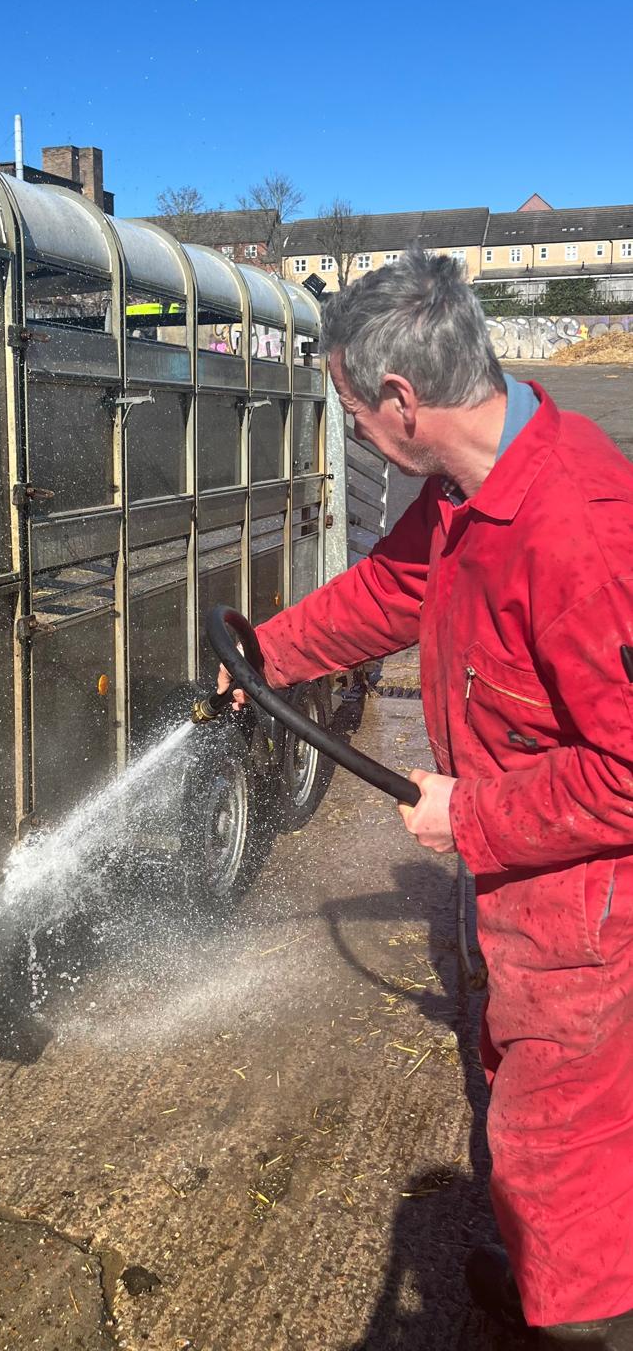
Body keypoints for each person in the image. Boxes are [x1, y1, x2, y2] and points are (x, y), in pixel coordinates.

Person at [219, 249, 633, 1346]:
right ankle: (549, 1272)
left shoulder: (579, 526)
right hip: (517, 879)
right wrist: (267, 653)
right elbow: (388, 589)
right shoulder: (469, 490)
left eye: (354, 408)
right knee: (521, 1106)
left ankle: (579, 1318)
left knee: (559, 1143)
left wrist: (475, 815)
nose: (353, 429)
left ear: (401, 401)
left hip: (586, 903)